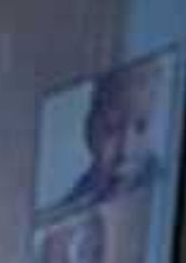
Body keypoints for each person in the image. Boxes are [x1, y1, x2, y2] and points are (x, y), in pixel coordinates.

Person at [49, 58, 166, 213]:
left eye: (141, 127)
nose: (126, 150)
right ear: (89, 129)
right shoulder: (70, 207)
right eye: (111, 129)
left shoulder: (164, 183)